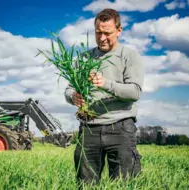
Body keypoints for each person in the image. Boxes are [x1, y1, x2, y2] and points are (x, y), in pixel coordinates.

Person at [64, 8, 144, 186]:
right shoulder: (84, 58)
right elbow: (68, 90)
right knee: (85, 184)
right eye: (98, 32)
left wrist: (106, 83)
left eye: (107, 33)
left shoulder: (129, 56)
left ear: (119, 30)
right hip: (89, 129)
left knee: (124, 184)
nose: (101, 38)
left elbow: (134, 92)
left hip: (121, 128)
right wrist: (73, 97)